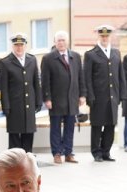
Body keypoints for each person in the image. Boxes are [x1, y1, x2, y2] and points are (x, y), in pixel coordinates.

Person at [41, 30, 85, 163]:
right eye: (58, 40)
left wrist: (82, 95)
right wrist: (47, 98)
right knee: (55, 128)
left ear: (67, 41)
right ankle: (57, 153)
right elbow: (45, 81)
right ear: (55, 42)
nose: (61, 42)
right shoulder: (48, 58)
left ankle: (68, 152)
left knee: (70, 128)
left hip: (72, 99)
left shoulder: (76, 56)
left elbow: (80, 77)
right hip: (56, 100)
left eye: (63, 40)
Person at [84, 25, 123, 162]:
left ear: (110, 37)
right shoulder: (91, 54)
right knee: (97, 126)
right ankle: (97, 152)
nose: (105, 38)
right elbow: (87, 78)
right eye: (102, 36)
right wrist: (90, 96)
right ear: (98, 37)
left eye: (107, 36)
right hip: (98, 97)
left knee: (110, 125)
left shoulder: (116, 53)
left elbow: (120, 75)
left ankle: (106, 151)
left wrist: (122, 95)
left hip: (113, 96)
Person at [0, 33, 40, 152]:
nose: (19, 47)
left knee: (28, 133)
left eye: (21, 45)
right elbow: (4, 87)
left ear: (25, 45)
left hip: (29, 104)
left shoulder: (32, 59)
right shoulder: (5, 62)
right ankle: (16, 161)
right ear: (13, 46)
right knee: (15, 136)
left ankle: (28, 159)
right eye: (16, 45)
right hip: (14, 105)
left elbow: (36, 82)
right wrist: (5, 106)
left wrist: (38, 101)